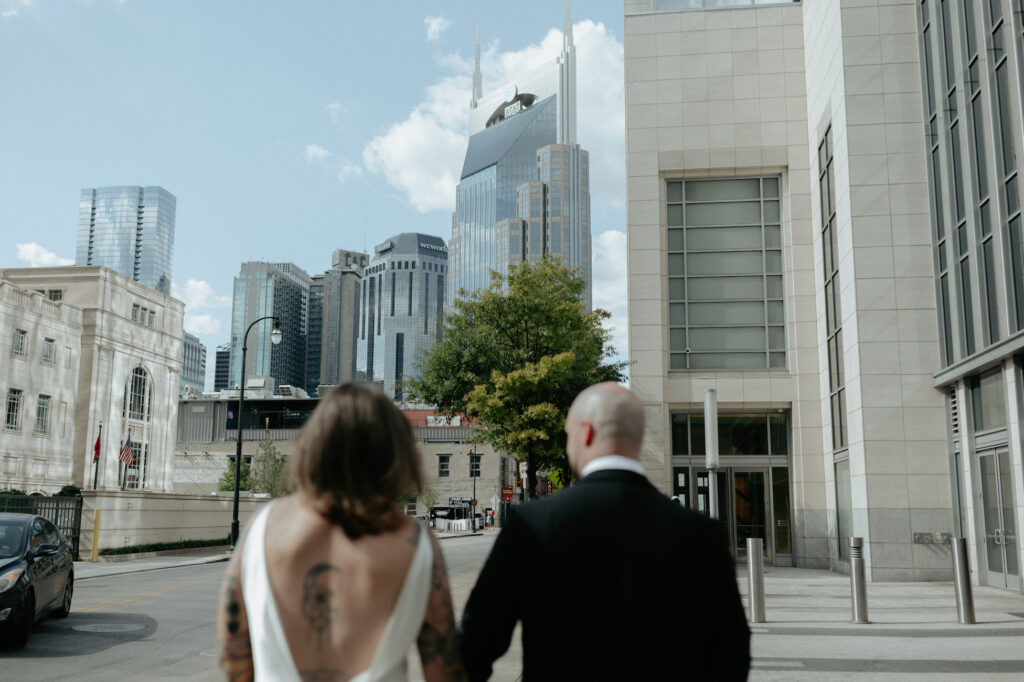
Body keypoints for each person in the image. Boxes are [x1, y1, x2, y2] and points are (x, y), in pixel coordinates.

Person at [458, 382, 750, 681]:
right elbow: (731, 654)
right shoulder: (702, 534)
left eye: (568, 435)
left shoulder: (532, 522)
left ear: (586, 432)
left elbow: (475, 643)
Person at [217, 383, 466, 682]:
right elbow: (443, 672)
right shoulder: (415, 543)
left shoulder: (264, 527)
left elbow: (234, 658)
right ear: (393, 455)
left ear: (314, 447)